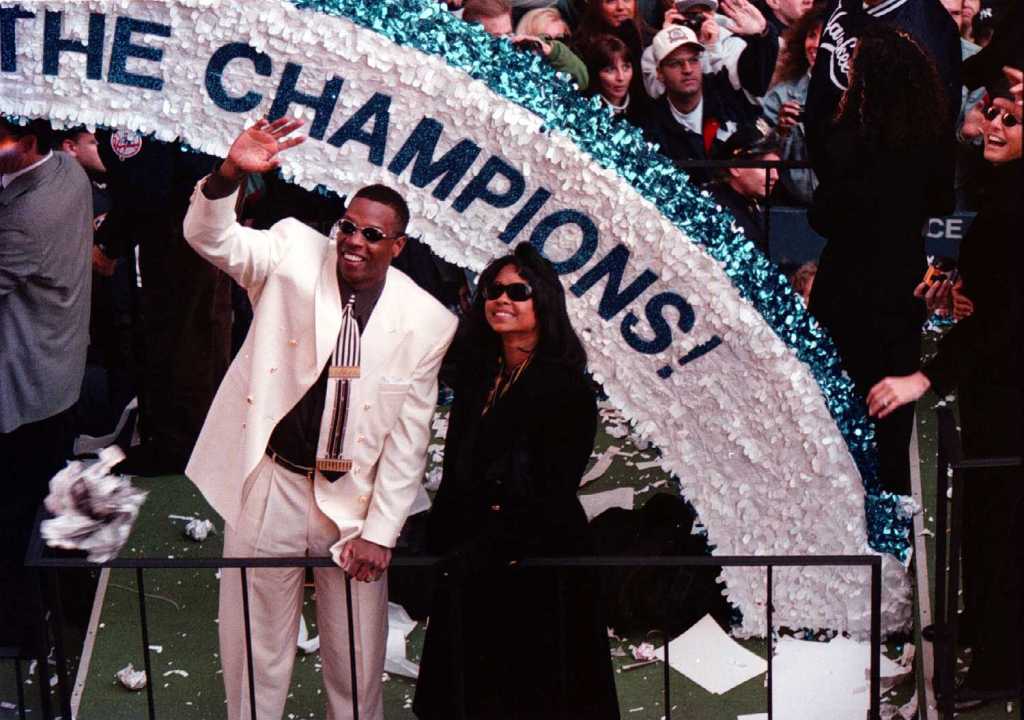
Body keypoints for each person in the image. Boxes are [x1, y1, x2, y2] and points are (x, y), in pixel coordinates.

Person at [182, 117, 458, 720]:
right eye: (349, 226)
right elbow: (211, 238)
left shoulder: (428, 321)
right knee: (257, 649)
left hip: (354, 502)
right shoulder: (289, 252)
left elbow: (409, 440)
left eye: (373, 234)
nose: (355, 241)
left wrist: (382, 532)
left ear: (398, 246)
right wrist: (229, 174)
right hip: (272, 480)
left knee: (356, 664)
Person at [867, 73, 1022, 711]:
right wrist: (956, 299)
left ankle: (999, 663)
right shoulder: (1003, 197)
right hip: (996, 394)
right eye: (994, 112)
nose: (994, 125)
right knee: (989, 520)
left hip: (1011, 400)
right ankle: (986, 638)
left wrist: (923, 378)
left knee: (1005, 527)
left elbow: (1007, 322)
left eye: (1012, 120)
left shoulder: (1014, 210)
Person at [414, 243, 619, 720]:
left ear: (542, 302)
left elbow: (551, 491)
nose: (501, 299)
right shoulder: (479, 374)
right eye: (492, 289)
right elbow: (461, 466)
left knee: (533, 695)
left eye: (517, 291)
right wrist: (442, 541)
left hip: (536, 565)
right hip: (471, 559)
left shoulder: (566, 387)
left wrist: (479, 551)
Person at [806, 25, 954, 495]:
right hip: (900, 291)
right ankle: (890, 529)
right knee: (890, 421)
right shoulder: (929, 140)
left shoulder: (848, 142)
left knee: (835, 409)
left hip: (845, 291)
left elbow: (823, 216)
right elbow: (943, 202)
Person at [0, 117, 93, 653]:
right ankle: (68, 605)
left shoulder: (25, 221)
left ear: (29, 143)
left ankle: (26, 632)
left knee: (17, 517)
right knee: (52, 499)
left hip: (26, 387)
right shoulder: (68, 171)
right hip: (60, 371)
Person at [641, 9, 780, 184]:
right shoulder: (651, 125)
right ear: (659, 73)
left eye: (693, 60)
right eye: (676, 63)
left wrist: (764, 34)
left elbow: (757, 75)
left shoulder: (727, 97)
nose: (687, 69)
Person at [760, 4, 825, 205]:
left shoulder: (861, 94)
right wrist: (781, 132)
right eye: (811, 35)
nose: (814, 44)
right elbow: (760, 155)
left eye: (824, 36)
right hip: (791, 208)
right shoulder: (780, 96)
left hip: (847, 209)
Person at [464, 0, 589, 88]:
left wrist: (551, 51)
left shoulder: (521, 56)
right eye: (496, 37)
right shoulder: (460, 64)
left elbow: (581, 80)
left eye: (508, 34)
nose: (504, 42)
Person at [705, 123, 781, 254]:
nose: (775, 176)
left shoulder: (748, 203)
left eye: (777, 168)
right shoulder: (713, 208)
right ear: (735, 167)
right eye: (765, 167)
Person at [581, 33, 650, 124]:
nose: (621, 77)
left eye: (626, 68)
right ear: (595, 73)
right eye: (610, 70)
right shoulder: (585, 111)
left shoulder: (645, 107)